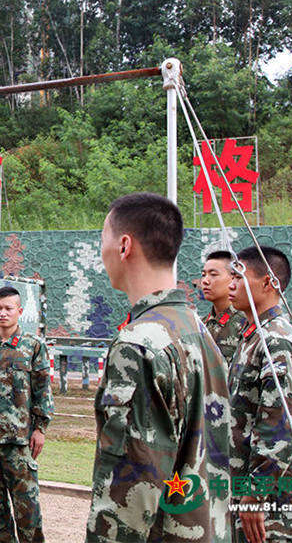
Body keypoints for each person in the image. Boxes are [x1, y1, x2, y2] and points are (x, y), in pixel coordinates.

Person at [85, 193, 231, 543]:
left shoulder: (139, 345)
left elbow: (129, 497)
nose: (101, 252)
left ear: (124, 246)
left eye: (102, 240)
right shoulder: (199, 331)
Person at [227, 246, 292, 543]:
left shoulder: (276, 340)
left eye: (239, 276)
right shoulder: (252, 335)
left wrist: (255, 493)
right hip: (245, 488)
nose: (230, 284)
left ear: (268, 282)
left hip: (269, 500)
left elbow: (281, 425)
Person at [0, 286, 53, 543]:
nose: (2, 313)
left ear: (19, 311)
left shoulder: (33, 347)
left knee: (28, 510)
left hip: (18, 441)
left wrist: (40, 429)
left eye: (8, 308)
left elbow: (43, 391)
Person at [200, 249, 246, 362]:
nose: (205, 281)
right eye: (203, 275)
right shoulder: (201, 324)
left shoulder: (245, 323)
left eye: (213, 274)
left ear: (233, 278)